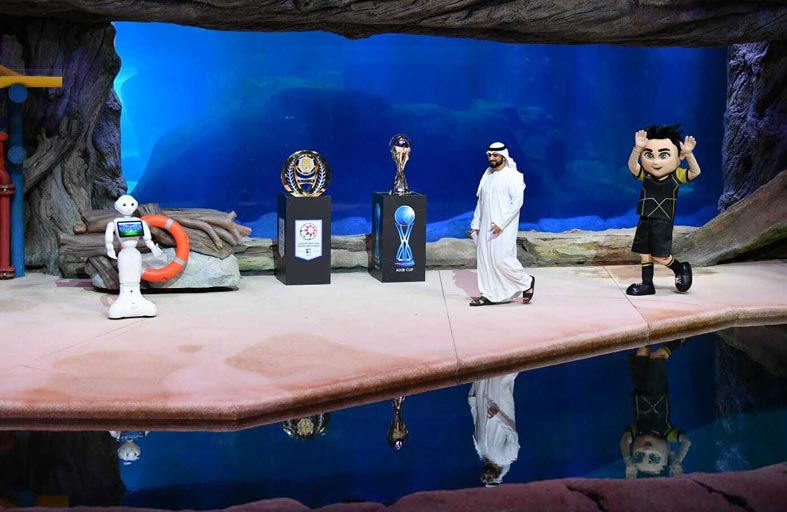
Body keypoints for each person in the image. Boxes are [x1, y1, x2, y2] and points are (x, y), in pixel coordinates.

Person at [626, 125, 701, 295]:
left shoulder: (677, 175)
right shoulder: (646, 175)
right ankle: (647, 284)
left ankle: (680, 268)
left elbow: (695, 172)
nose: (656, 162)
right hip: (645, 217)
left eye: (664, 155)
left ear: (678, 157)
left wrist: (689, 154)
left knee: (660, 256)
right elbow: (633, 166)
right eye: (649, 155)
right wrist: (637, 149)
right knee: (644, 252)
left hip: (663, 219)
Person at [469, 142, 534, 306]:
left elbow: (516, 203)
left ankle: (526, 281)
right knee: (485, 261)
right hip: (485, 226)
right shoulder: (487, 176)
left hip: (504, 227)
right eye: (489, 155)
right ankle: (488, 294)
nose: (491, 158)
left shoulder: (514, 177)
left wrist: (501, 223)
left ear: (503, 157)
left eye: (495, 155)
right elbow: (481, 202)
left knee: (502, 259)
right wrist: (476, 223)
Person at [620, 340, 691, 478]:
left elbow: (624, 440)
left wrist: (628, 461)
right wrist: (677, 461)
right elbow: (687, 442)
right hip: (657, 390)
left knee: (641, 355)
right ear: (667, 453)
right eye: (654, 458)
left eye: (639, 456)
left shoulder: (637, 431)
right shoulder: (667, 432)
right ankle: (679, 340)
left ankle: (648, 337)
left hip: (638, 390)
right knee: (657, 357)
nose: (646, 450)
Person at [469, 372, 520, 486]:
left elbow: (476, 422)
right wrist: (497, 415)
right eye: (490, 477)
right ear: (498, 475)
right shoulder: (507, 457)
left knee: (482, 377)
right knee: (501, 379)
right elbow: (512, 435)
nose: (487, 474)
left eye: (485, 477)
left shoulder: (481, 452)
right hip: (499, 406)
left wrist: (472, 402)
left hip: (483, 402)